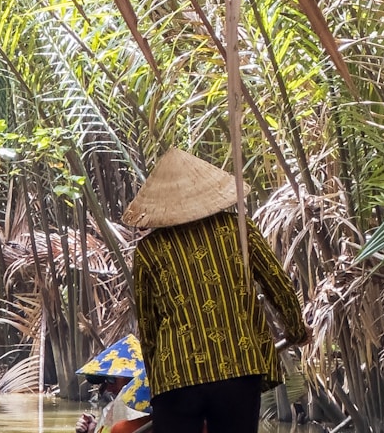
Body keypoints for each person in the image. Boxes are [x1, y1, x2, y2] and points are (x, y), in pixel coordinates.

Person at [123, 148, 309, 433]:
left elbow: (149, 328)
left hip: (177, 375)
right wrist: (295, 329)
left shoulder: (148, 250)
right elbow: (278, 284)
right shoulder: (240, 230)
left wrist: (157, 380)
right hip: (238, 369)